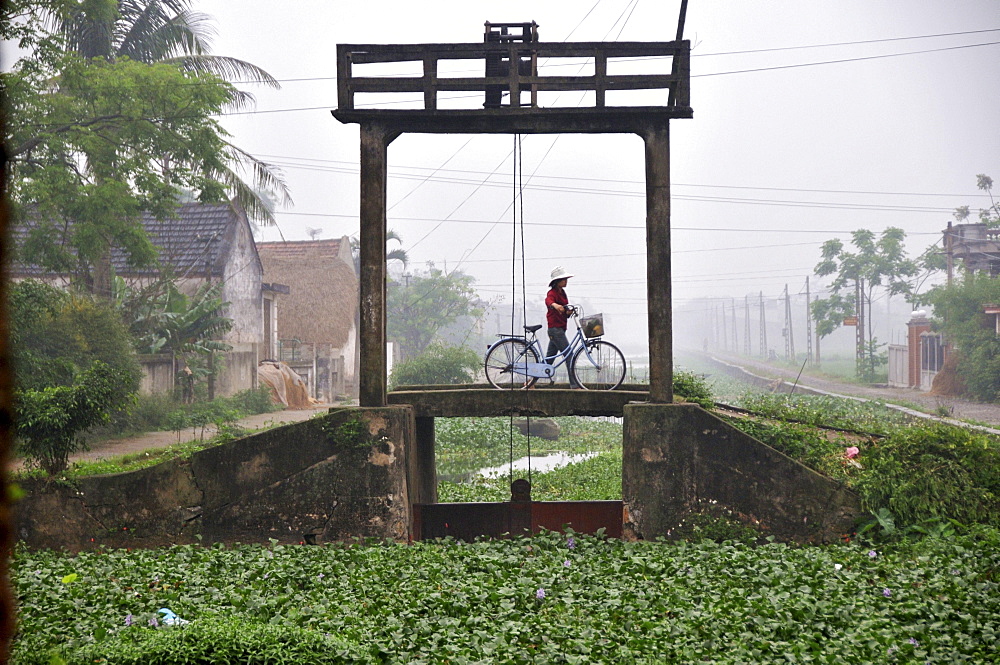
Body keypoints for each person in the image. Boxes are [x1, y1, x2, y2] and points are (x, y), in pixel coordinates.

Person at [545, 266, 581, 388]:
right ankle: (574, 385)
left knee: (549, 360)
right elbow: (549, 301)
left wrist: (567, 311)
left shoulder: (563, 293)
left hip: (560, 329)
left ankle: (530, 382)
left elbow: (564, 310)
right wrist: (555, 305)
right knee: (569, 355)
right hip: (555, 330)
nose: (566, 281)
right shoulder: (552, 293)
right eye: (563, 279)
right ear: (557, 281)